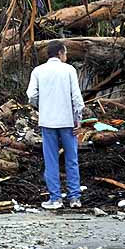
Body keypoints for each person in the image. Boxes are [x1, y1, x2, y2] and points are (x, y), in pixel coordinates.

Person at [26, 41, 85, 210]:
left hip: (47, 121)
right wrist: (78, 119)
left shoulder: (38, 71)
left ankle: (56, 199)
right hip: (68, 122)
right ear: (60, 53)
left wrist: (41, 106)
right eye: (65, 53)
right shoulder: (69, 70)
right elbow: (76, 98)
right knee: (71, 159)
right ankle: (74, 198)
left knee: (51, 160)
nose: (66, 57)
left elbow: (31, 96)